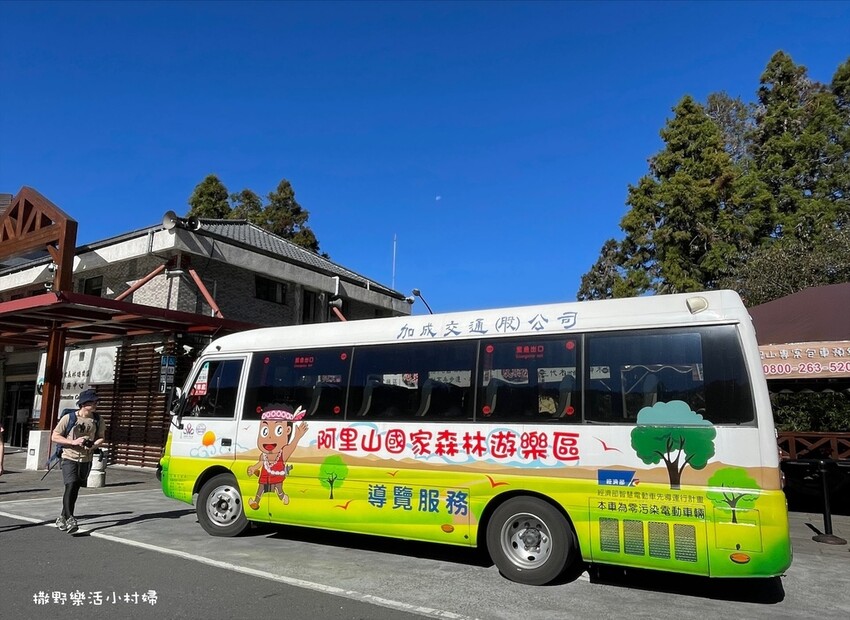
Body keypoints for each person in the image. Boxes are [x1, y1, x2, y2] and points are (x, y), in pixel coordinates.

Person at [51, 388, 106, 533]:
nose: (95, 404)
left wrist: (94, 445)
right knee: (70, 485)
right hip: (69, 456)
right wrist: (74, 442)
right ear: (83, 403)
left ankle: (62, 517)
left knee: (75, 489)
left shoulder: (98, 419)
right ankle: (70, 519)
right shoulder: (69, 418)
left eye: (96, 402)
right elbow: (55, 436)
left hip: (86, 459)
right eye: (93, 402)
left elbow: (101, 437)